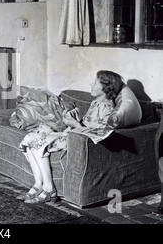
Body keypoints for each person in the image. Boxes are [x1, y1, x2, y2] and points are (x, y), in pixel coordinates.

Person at [17, 70, 125, 204]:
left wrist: (75, 124)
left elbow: (97, 134)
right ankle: (38, 184)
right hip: (72, 133)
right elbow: (88, 123)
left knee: (38, 143)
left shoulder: (106, 108)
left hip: (77, 140)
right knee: (30, 139)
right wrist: (75, 120)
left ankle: (49, 188)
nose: (91, 84)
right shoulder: (96, 102)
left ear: (106, 87)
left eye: (95, 82)